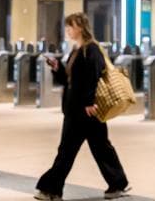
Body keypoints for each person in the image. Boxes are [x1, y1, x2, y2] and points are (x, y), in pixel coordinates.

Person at [35, 13, 131, 201]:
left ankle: (51, 190)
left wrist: (88, 102)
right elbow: (69, 80)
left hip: (85, 110)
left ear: (80, 27)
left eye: (70, 26)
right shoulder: (76, 50)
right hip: (76, 108)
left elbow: (93, 76)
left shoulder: (91, 49)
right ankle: (118, 183)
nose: (67, 30)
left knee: (70, 151)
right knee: (99, 148)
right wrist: (57, 68)